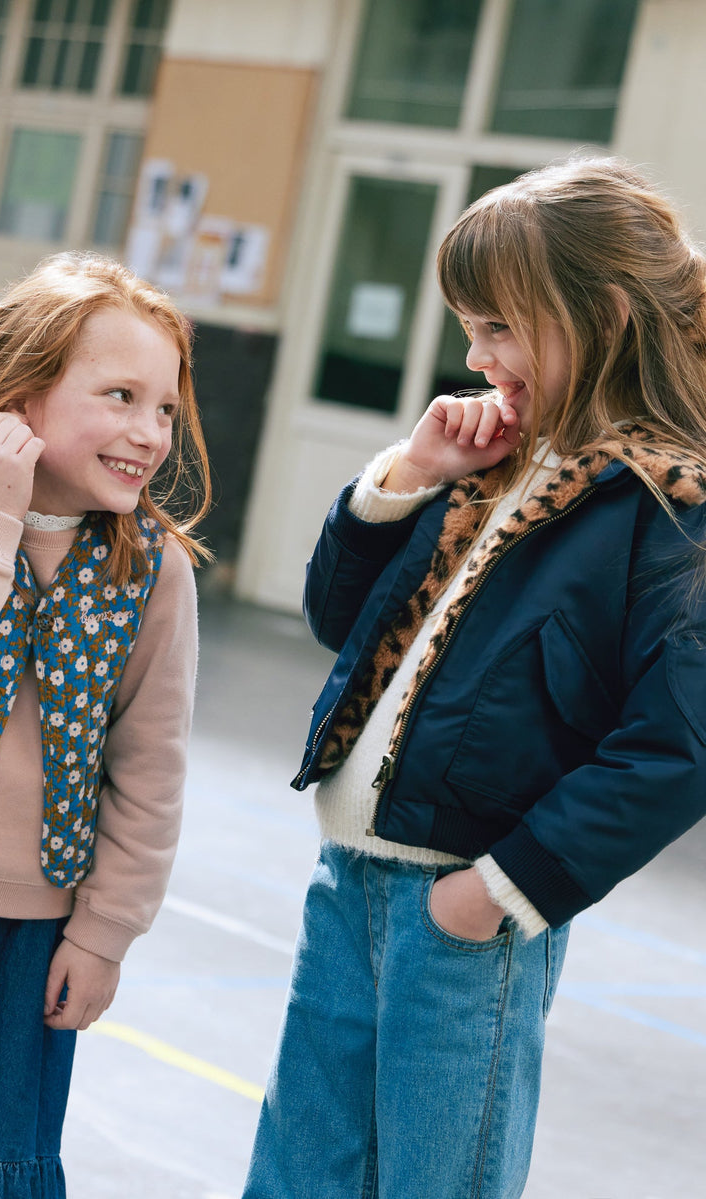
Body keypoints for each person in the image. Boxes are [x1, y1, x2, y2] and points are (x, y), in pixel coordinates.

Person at [242, 156, 706, 1199]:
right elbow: (339, 621)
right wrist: (405, 480)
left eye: (497, 326)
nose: (472, 354)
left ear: (606, 317)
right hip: (348, 878)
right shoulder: (490, 456)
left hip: (465, 912)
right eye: (468, 325)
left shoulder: (667, 503)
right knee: (296, 1174)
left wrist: (494, 892)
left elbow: (677, 744)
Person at [0, 251, 209, 1196]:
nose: (149, 431)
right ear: (22, 397)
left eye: (164, 408)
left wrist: (104, 931)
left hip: (23, 934)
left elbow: (150, 770)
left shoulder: (153, 573)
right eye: (120, 395)